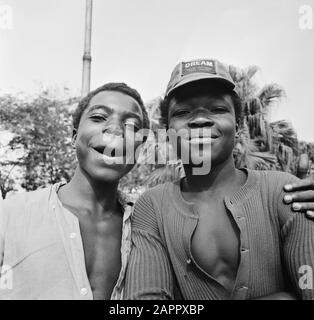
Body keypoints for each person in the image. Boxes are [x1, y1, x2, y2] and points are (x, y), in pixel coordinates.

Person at [124, 59, 314, 300]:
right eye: (183, 112)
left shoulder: (284, 192)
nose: (201, 120)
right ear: (168, 130)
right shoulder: (152, 207)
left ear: (237, 126)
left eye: (217, 109)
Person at [0, 82, 149, 299]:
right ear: (73, 137)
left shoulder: (149, 225)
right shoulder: (10, 215)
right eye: (98, 118)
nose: (115, 129)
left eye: (132, 126)